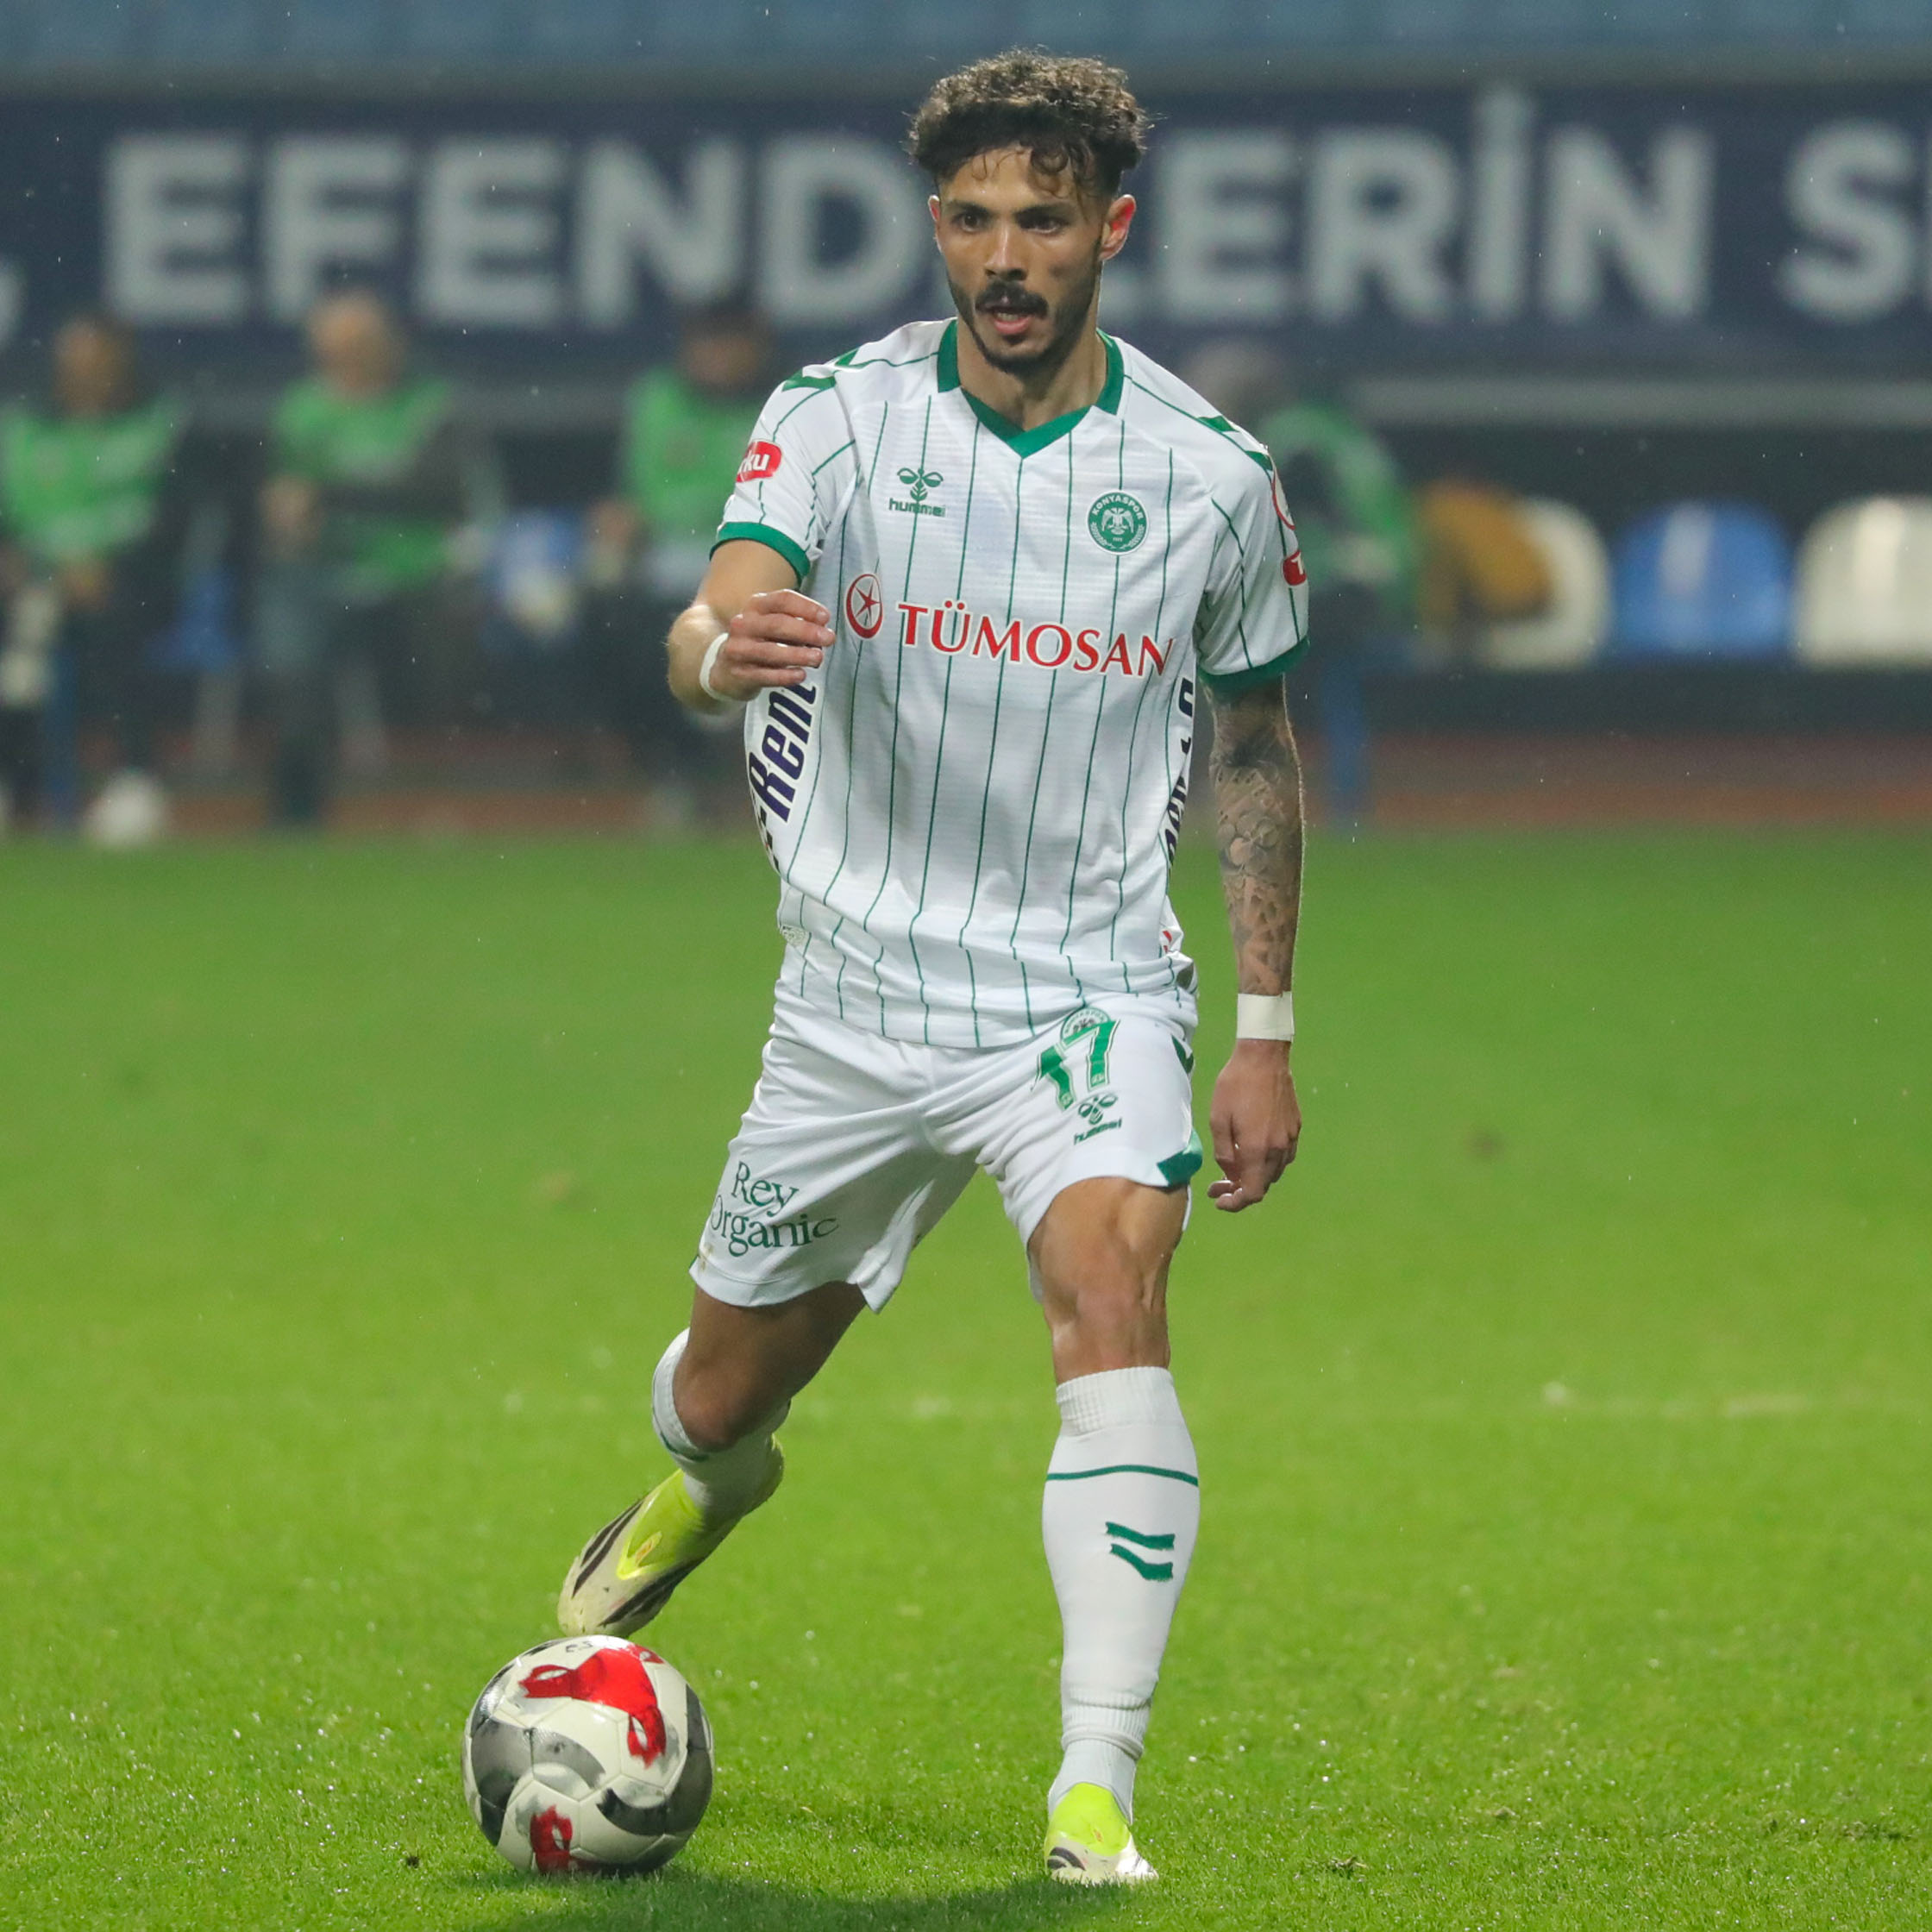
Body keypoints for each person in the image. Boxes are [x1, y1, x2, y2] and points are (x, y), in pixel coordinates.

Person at [556, 52, 1308, 1885]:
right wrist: (711, 653)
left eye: (1041, 220)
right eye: (971, 220)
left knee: (1111, 1295)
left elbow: (1255, 743)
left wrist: (1264, 1027)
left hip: (1084, 996)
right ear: (936, 229)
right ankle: (702, 1492)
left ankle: (1093, 1792)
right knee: (724, 1394)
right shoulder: (835, 417)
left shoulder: (1211, 477)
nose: (1003, 256)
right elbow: (716, 609)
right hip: (854, 1004)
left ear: (1110, 229)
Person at [256, 290, 498, 825]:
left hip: (418, 573)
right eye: (336, 350)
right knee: (289, 644)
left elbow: (433, 488)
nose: (349, 361)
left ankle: (446, 798)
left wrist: (328, 494)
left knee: (454, 642)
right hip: (327, 570)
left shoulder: (432, 406)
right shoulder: (302, 410)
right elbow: (281, 493)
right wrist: (289, 515)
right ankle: (297, 809)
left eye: (361, 346)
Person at [580, 304, 775, 815]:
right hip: (663, 566)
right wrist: (622, 522)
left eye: (728, 345)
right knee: (612, 621)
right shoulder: (658, 400)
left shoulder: (783, 404)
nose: (716, 358)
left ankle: (758, 780)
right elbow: (637, 493)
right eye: (707, 345)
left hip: (755, 566)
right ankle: (672, 768)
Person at [0, 314, 189, 841]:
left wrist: (107, 564)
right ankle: (14, 786)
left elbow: (174, 519)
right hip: (33, 582)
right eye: (73, 362)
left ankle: (135, 779)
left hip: (127, 580)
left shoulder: (158, 424)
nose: (83, 373)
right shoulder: (25, 428)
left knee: (116, 627)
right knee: (20, 645)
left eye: (96, 362)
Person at [1256, 368, 1418, 825]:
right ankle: (1348, 800)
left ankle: (1266, 799)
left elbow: (1274, 503)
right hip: (1371, 588)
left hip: (1321, 584)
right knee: (1339, 693)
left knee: (1253, 687)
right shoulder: (1358, 440)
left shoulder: (1294, 431)